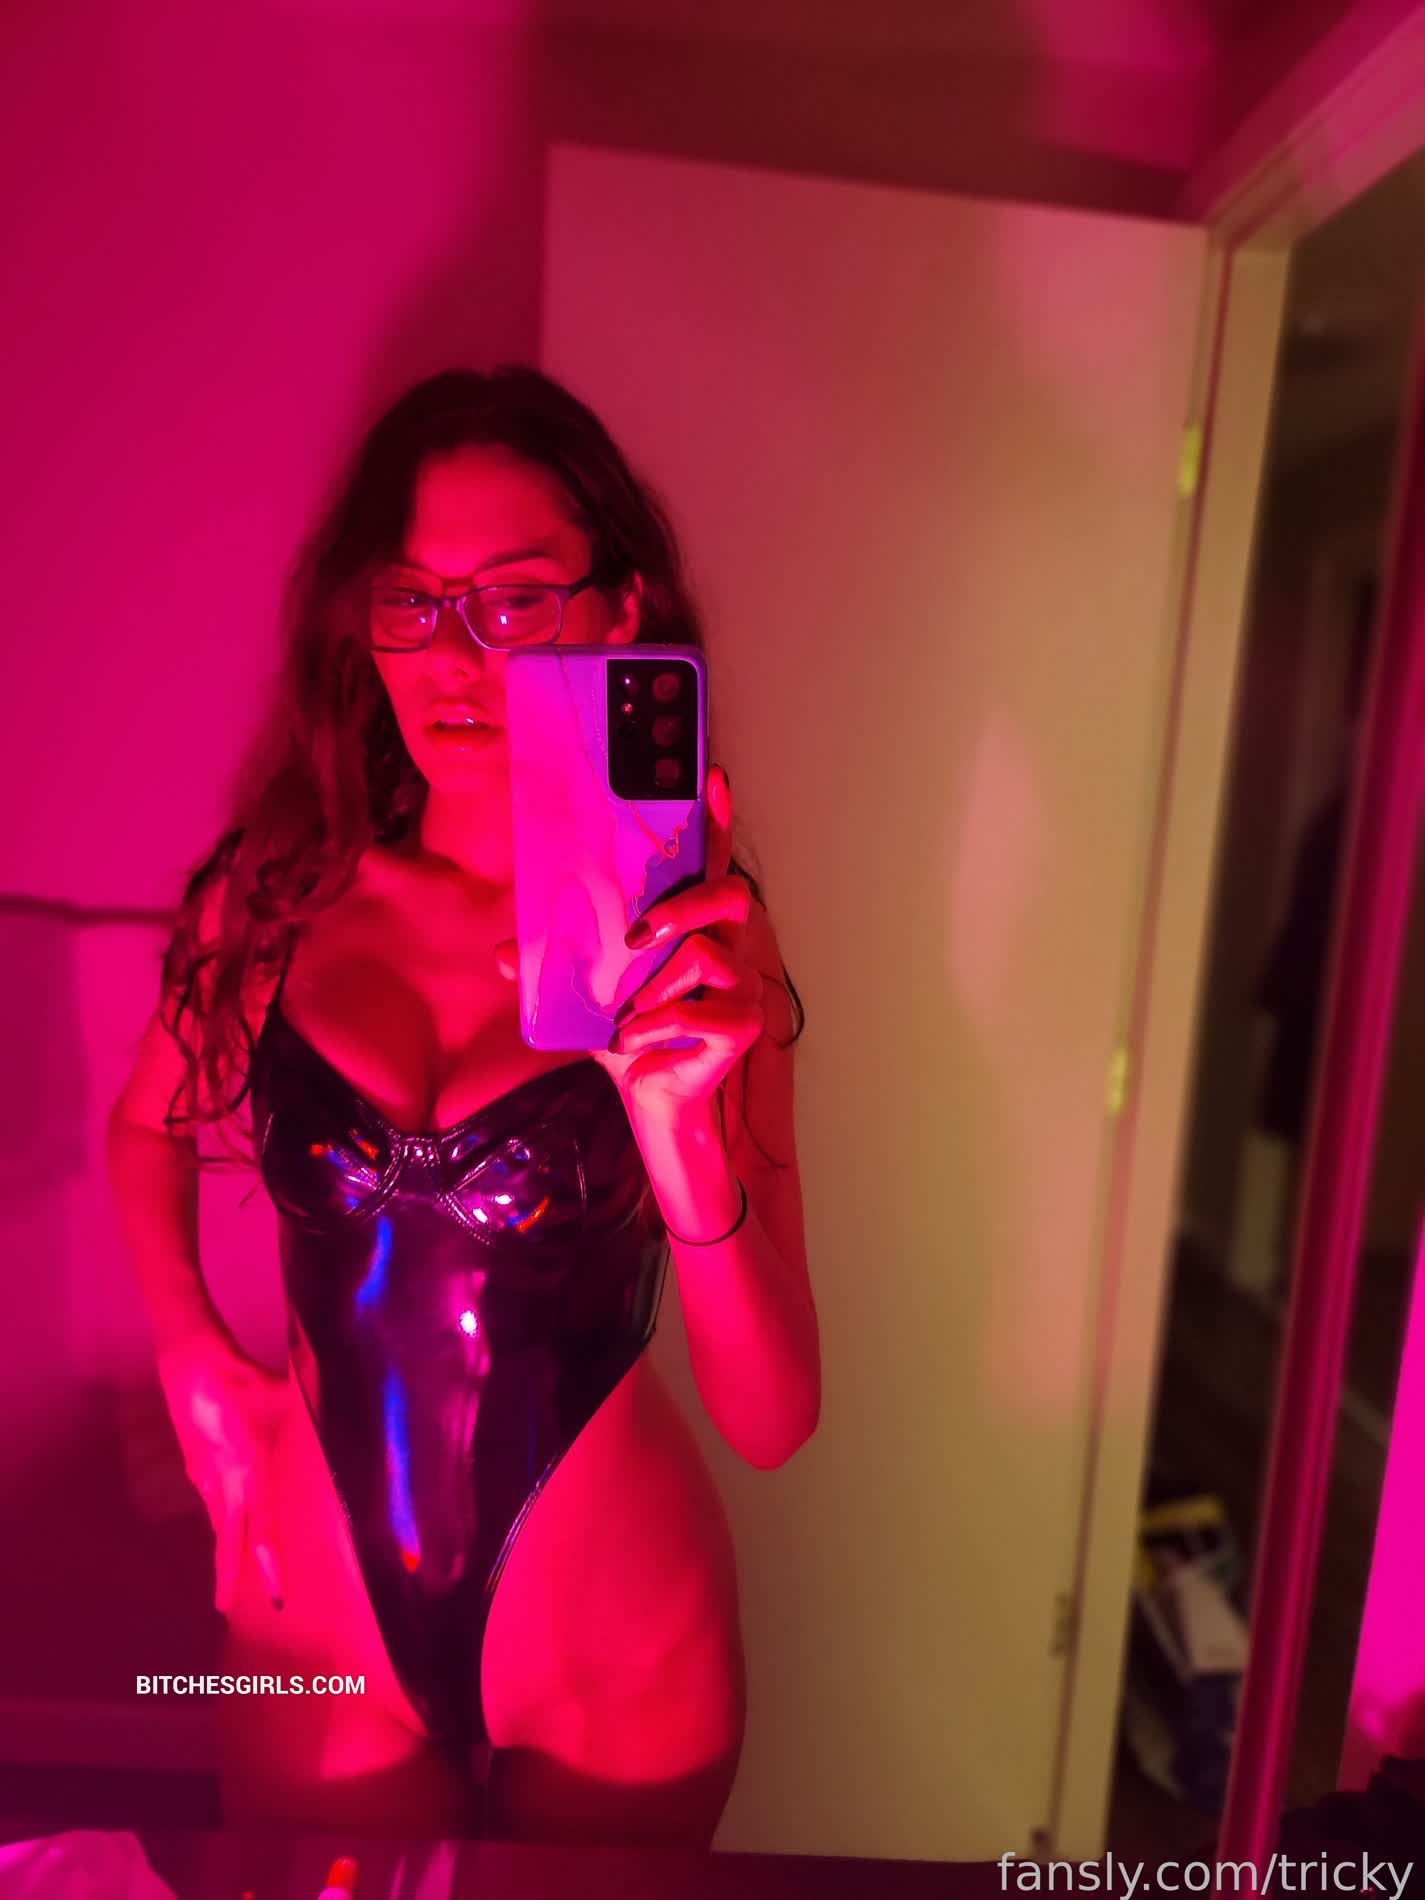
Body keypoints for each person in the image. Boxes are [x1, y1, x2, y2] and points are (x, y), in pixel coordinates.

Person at [105, 367, 820, 1846]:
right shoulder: (280, 896)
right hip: (318, 1633)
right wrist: (190, 1351)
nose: (453, 654)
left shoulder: (698, 956)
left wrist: (682, 1141)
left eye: (514, 601)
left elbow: (770, 1420)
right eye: (413, 601)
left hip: (617, 1643)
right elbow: (142, 1125)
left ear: (618, 613)